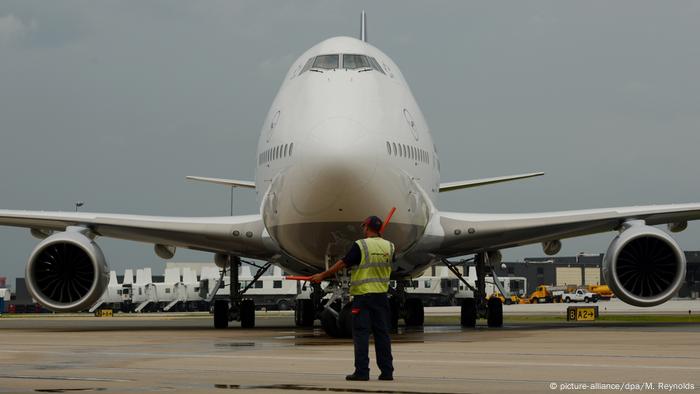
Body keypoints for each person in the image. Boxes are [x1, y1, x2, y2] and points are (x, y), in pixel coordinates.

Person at [310, 215, 395, 381]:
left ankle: (362, 372)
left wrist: (323, 275)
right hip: (381, 296)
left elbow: (343, 263)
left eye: (364, 227)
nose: (362, 229)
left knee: (361, 334)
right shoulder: (390, 246)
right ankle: (387, 372)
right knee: (382, 335)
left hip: (363, 296)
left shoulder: (361, 245)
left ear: (367, 227)